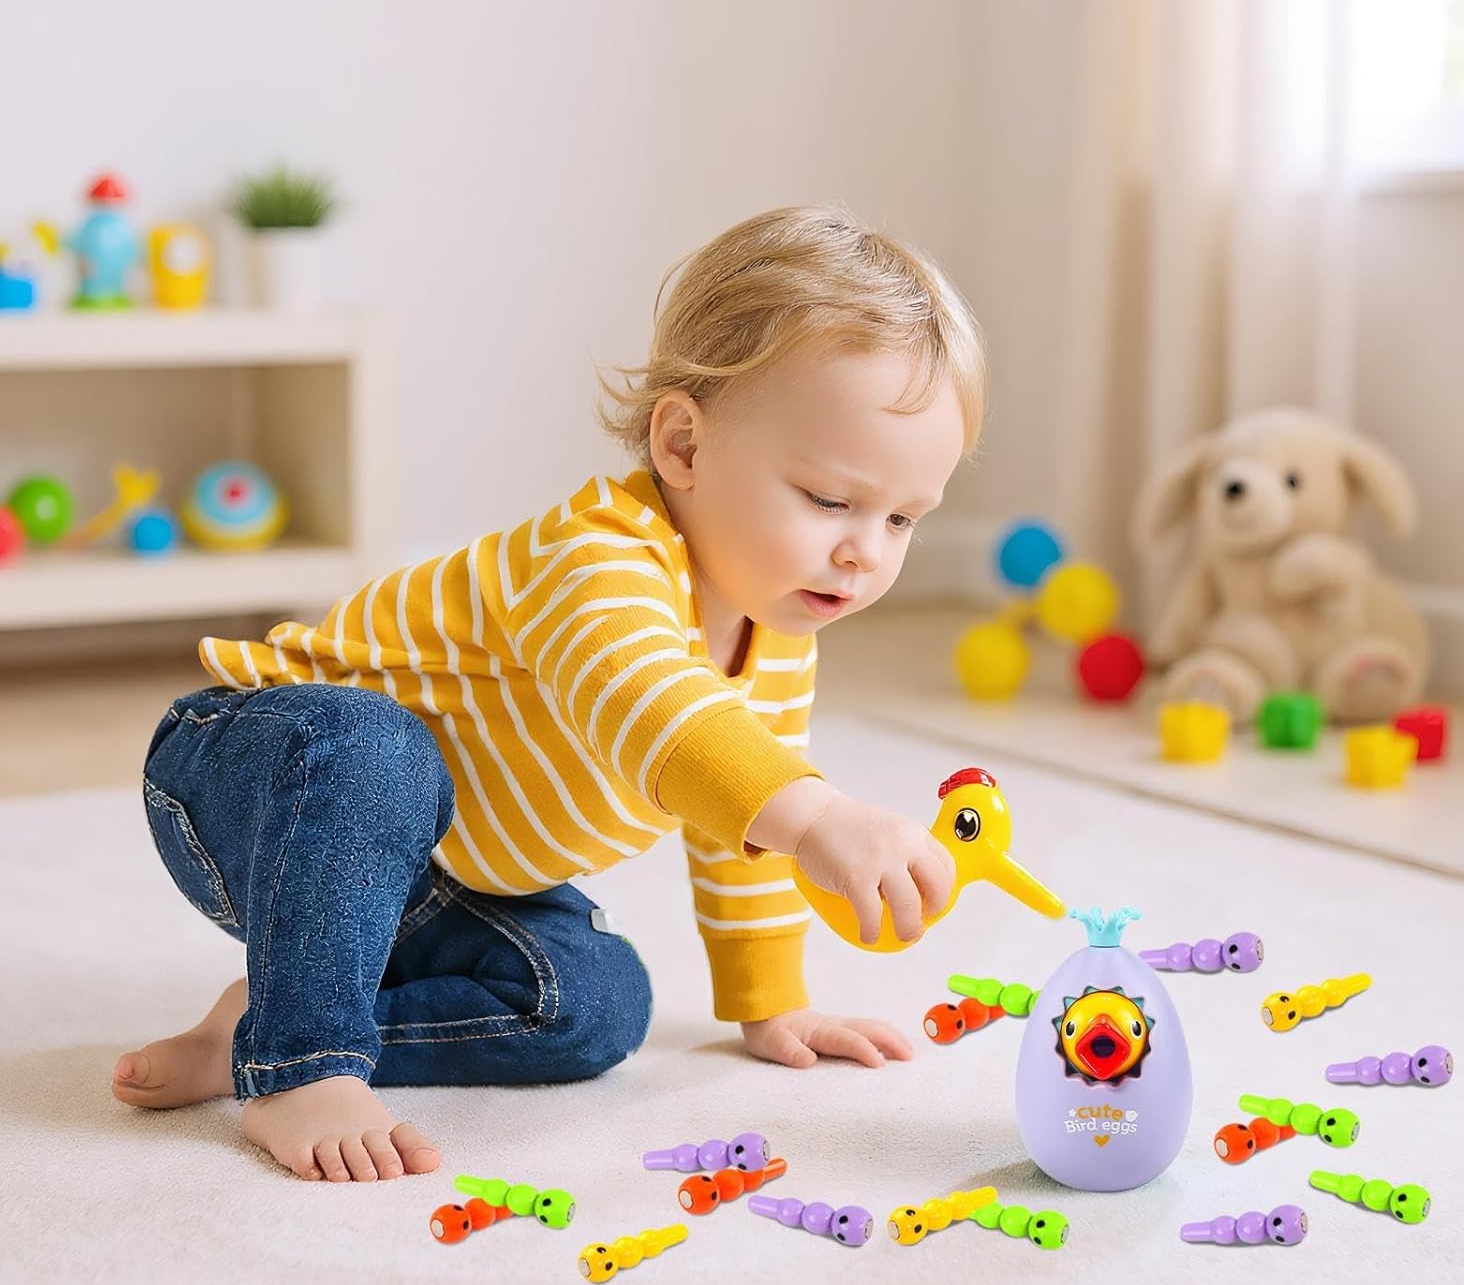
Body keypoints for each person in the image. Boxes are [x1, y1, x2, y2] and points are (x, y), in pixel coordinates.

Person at [111, 203, 988, 1183]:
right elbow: (654, 708)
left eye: (904, 518)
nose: (865, 551)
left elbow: (738, 819)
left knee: (596, 1003)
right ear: (684, 446)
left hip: (433, 879)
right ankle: (303, 1067)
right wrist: (818, 814)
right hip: (267, 780)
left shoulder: (777, 626)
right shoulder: (593, 558)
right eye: (830, 499)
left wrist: (771, 1001)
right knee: (375, 745)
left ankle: (264, 1029)